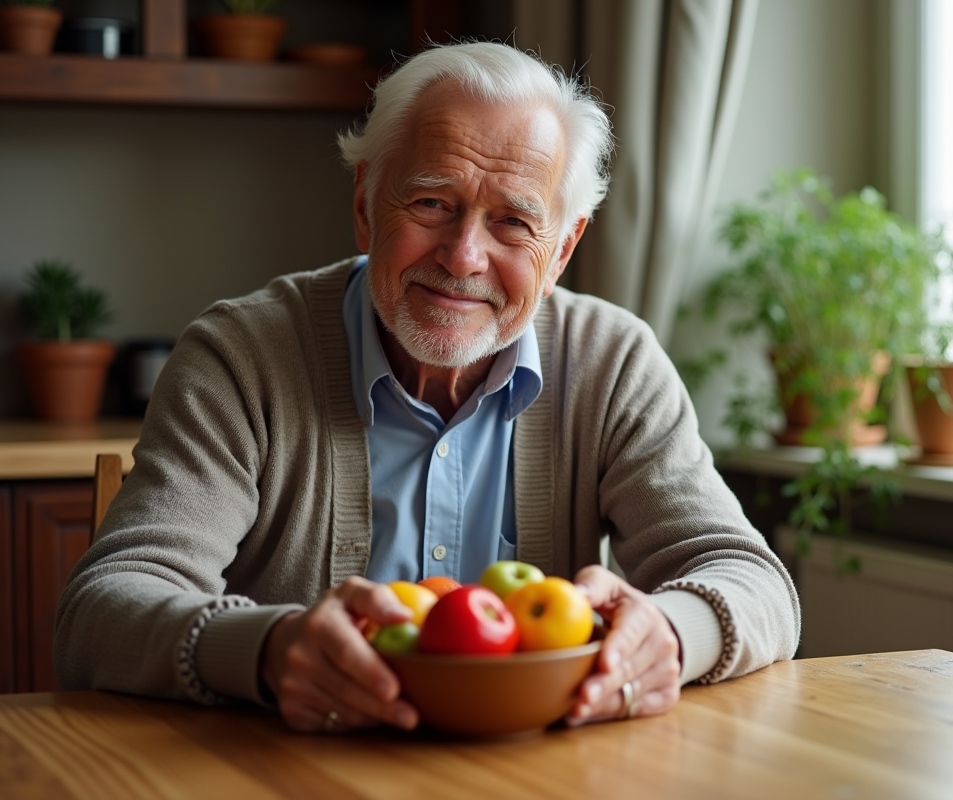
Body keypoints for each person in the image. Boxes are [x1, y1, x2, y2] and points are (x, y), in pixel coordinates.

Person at [54, 41, 801, 734]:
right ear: (364, 204)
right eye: (432, 203)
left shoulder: (614, 362)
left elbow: (754, 582)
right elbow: (100, 614)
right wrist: (271, 648)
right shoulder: (239, 358)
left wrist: (670, 633)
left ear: (562, 251)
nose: (465, 255)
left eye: (513, 223)